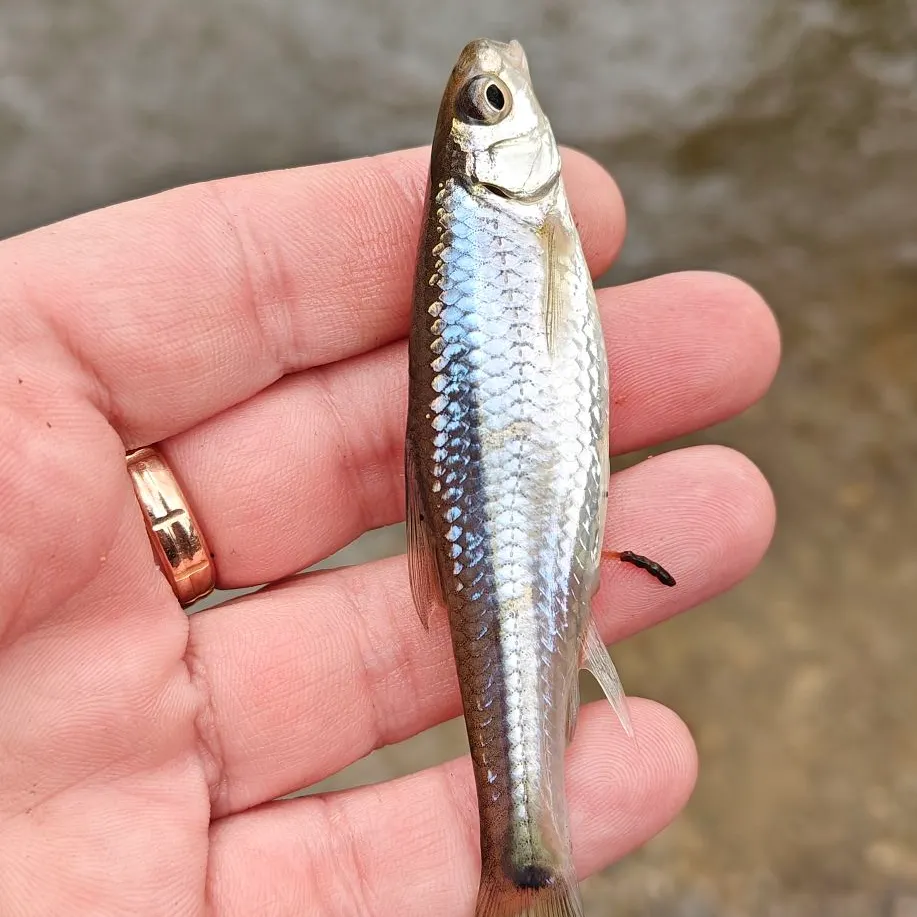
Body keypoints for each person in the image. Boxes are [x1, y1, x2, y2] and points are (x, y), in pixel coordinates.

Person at [0, 146, 778, 915]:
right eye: (493, 106)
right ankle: (523, 867)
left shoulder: (506, 226)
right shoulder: (505, 223)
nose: (500, 94)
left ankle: (523, 863)